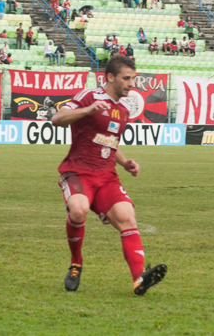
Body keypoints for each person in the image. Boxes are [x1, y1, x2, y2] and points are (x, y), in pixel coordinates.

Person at [51, 56, 167, 295]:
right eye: (127, 78)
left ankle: (139, 279)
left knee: (128, 218)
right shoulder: (89, 96)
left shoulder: (123, 110)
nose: (131, 83)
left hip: (106, 177)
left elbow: (109, 142)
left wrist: (124, 162)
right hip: (78, 171)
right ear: (110, 77)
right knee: (79, 209)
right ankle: (76, 263)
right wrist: (87, 110)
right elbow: (57, 119)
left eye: (133, 78)